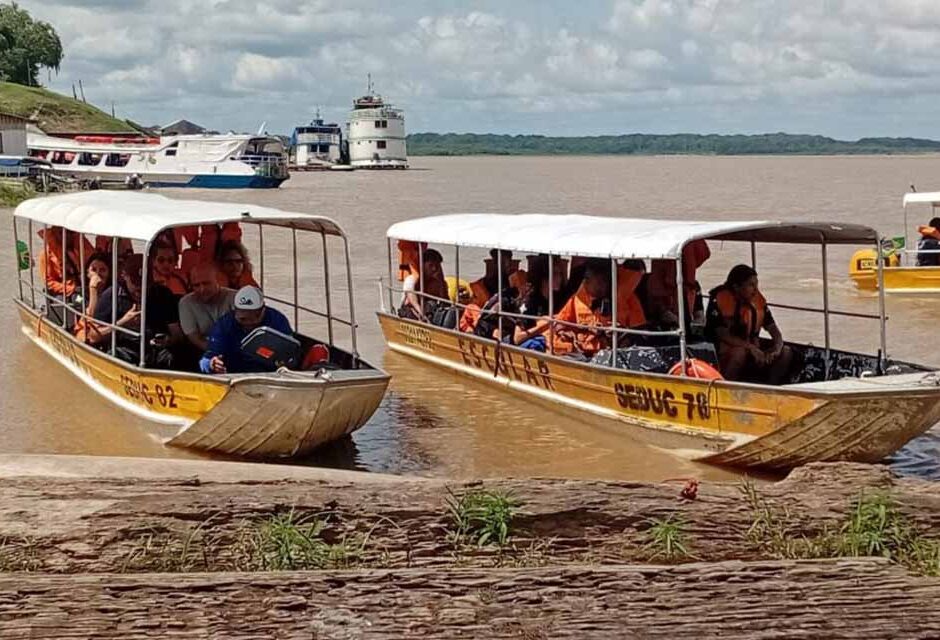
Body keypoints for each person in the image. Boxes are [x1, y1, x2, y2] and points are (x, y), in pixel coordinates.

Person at [89, 254, 184, 366]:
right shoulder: (111, 295)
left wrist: (168, 340)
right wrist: (123, 323)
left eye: (145, 284)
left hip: (157, 351)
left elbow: (177, 333)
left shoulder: (163, 294)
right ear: (125, 276)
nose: (139, 289)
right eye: (135, 283)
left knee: (179, 356)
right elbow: (93, 336)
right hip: (126, 350)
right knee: (114, 357)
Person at [705, 264, 793, 384]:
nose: (756, 290)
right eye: (751, 285)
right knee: (739, 353)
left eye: (756, 284)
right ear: (736, 287)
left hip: (754, 350)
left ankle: (771, 387)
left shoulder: (757, 301)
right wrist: (750, 348)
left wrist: (777, 347)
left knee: (786, 351)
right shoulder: (719, 300)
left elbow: (773, 328)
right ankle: (726, 387)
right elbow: (722, 334)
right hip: (725, 354)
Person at [200, 285, 293, 374]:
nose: (249, 323)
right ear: (235, 311)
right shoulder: (224, 325)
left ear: (263, 309)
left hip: (269, 373)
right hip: (234, 374)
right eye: (243, 319)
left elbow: (290, 353)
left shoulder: (277, 320)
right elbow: (206, 359)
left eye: (254, 318)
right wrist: (212, 364)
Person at [551, 259, 614, 358]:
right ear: (587, 281)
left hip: (606, 352)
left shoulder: (613, 301)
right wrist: (565, 333)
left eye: (605, 281)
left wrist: (614, 330)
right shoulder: (575, 301)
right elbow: (559, 323)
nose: (603, 286)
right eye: (599, 281)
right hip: (580, 352)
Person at [178, 262, 235, 352]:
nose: (202, 289)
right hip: (203, 351)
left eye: (206, 283)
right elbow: (194, 337)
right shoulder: (186, 302)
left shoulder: (235, 297)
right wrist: (216, 353)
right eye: (196, 285)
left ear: (217, 281)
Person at [400, 248, 447, 321]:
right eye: (430, 265)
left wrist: (441, 281)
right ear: (422, 265)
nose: (434, 269)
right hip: (412, 311)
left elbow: (445, 300)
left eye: (437, 265)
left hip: (429, 310)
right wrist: (422, 315)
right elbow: (412, 300)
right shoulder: (412, 279)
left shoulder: (436, 281)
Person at [73, 252, 111, 342]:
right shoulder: (79, 294)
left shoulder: (112, 293)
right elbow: (91, 317)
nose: (98, 274)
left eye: (102, 270)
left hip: (107, 332)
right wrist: (93, 289)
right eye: (94, 270)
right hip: (87, 333)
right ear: (87, 273)